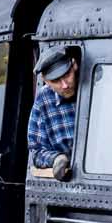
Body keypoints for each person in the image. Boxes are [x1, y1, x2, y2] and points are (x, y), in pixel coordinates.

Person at [26, 46, 80, 177]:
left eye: (67, 75)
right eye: (56, 81)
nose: (65, 85)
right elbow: (37, 151)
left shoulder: (98, 84)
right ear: (45, 81)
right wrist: (57, 159)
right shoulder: (43, 100)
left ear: (74, 65)